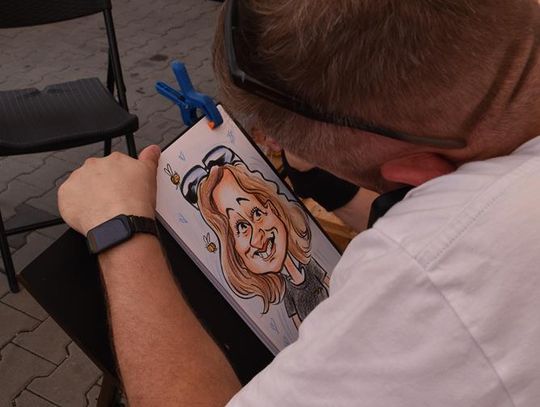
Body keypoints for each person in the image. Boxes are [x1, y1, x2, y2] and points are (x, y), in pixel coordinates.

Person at [57, 0, 540, 406]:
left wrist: (120, 227)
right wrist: (332, 185)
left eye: (254, 212)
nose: (255, 231)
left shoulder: (434, 270)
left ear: (419, 175)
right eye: (238, 225)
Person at [192, 154, 329, 325]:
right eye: (241, 227)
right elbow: (298, 326)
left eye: (256, 213)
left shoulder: (310, 266)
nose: (257, 238)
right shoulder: (288, 293)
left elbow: (336, 284)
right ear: (232, 251)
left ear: (273, 209)